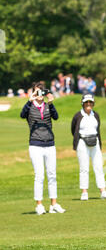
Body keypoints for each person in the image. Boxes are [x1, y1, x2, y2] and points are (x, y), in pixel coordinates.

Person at [20, 82, 66, 215]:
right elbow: (22, 115)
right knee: (39, 176)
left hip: (50, 144)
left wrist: (51, 103)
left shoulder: (47, 106)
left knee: (52, 175)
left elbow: (56, 117)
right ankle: (39, 204)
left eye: (41, 92)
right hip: (35, 145)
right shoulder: (30, 106)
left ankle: (53, 204)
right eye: (37, 92)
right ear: (33, 93)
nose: (40, 95)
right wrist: (30, 100)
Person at [71, 93, 106, 201]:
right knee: (84, 168)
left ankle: (103, 191)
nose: (88, 104)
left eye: (90, 102)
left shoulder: (96, 115)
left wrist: (100, 144)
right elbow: (73, 129)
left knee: (98, 167)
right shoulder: (78, 115)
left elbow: (98, 130)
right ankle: (84, 192)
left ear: (93, 103)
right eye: (86, 102)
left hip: (95, 142)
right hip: (82, 142)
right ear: (82, 103)